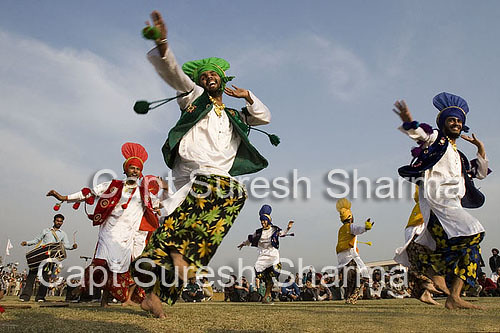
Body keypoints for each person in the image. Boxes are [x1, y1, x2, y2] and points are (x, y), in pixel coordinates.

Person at [132, 10, 274, 318]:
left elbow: (264, 117)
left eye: (214, 75)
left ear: (223, 81)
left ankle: (157, 295)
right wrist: (164, 45)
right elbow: (176, 76)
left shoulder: (236, 115)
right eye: (204, 75)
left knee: (233, 198)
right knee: (215, 198)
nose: (208, 77)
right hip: (194, 173)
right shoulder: (193, 98)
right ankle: (174, 250)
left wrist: (248, 95)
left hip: (218, 180)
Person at [394, 92, 490, 309]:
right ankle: (431, 269)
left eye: (458, 121)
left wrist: (480, 148)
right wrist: (409, 121)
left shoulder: (460, 156)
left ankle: (453, 296)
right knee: (476, 232)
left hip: (453, 205)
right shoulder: (438, 140)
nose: (456, 123)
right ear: (443, 123)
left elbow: (481, 173)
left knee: (472, 250)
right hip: (438, 203)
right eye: (452, 120)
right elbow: (422, 135)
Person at [47, 142, 162, 307]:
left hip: (127, 237)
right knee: (100, 263)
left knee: (119, 269)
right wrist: (64, 198)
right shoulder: (113, 185)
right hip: (109, 232)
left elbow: (158, 205)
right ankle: (84, 287)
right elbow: (89, 193)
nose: (135, 171)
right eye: (132, 168)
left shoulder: (144, 192)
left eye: (137, 169)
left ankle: (109, 300)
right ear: (125, 170)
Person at [394, 187, 441, 305]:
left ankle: (426, 293)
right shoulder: (424, 205)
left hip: (418, 235)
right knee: (421, 262)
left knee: (422, 263)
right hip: (416, 235)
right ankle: (427, 284)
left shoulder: (423, 205)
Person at [238, 205, 293, 303]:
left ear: (268, 220)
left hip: (273, 255)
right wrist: (243, 244)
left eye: (264, 220)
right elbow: (250, 239)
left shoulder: (274, 229)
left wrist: (288, 228)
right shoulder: (258, 232)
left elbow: (282, 233)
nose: (263, 222)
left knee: (273, 274)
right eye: (261, 221)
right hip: (262, 256)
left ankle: (266, 296)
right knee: (259, 272)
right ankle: (266, 295)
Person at [19, 214, 77, 302]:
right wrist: (26, 243)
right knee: (32, 276)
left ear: (62, 223)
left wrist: (72, 247)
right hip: (40, 255)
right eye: (57, 221)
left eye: (61, 221)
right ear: (54, 221)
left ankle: (40, 297)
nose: (59, 222)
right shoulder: (46, 231)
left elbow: (66, 245)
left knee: (45, 277)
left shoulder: (63, 234)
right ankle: (25, 297)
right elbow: (36, 240)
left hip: (51, 257)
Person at [335, 198, 373, 304]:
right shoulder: (350, 226)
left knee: (350, 279)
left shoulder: (341, 229)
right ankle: (353, 296)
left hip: (341, 257)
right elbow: (358, 229)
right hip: (350, 255)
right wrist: (366, 227)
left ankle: (348, 296)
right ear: (351, 217)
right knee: (363, 276)